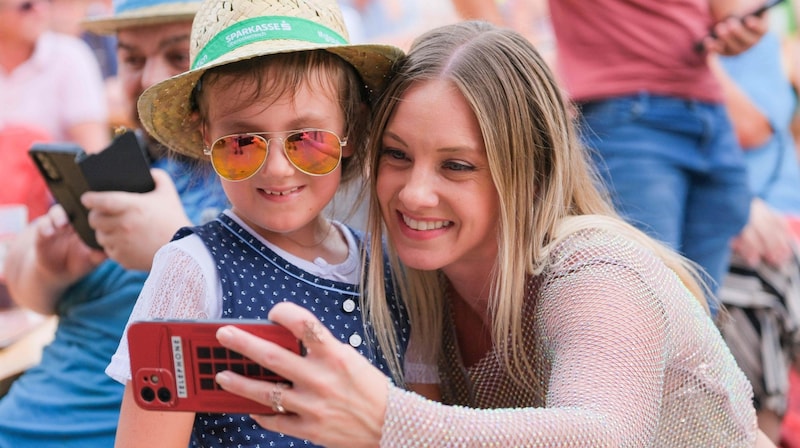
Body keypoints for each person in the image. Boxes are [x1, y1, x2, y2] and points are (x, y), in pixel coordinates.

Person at [204, 20, 768, 447]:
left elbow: (603, 435)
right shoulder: (409, 284)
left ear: (532, 170)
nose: (414, 194)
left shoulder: (596, 269)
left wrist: (387, 422)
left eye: (458, 166)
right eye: (397, 156)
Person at [108, 0, 411, 446]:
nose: (277, 169)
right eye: (242, 142)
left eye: (306, 139)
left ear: (353, 127)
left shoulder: (390, 268)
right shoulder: (190, 270)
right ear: (206, 137)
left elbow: (419, 420)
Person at [0, 0, 228, 445]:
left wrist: (174, 245)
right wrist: (51, 268)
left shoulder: (260, 188)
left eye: (177, 56)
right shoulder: (126, 165)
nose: (148, 80)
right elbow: (32, 292)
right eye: (132, 59)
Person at [711, 14, 800, 442]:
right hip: (747, 224)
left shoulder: (764, 27)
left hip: (775, 208)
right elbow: (753, 125)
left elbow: (761, 124)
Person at [0, 0, 108, 153]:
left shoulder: (70, 56)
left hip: (54, 175)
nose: (41, 9)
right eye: (27, 6)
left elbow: (94, 150)